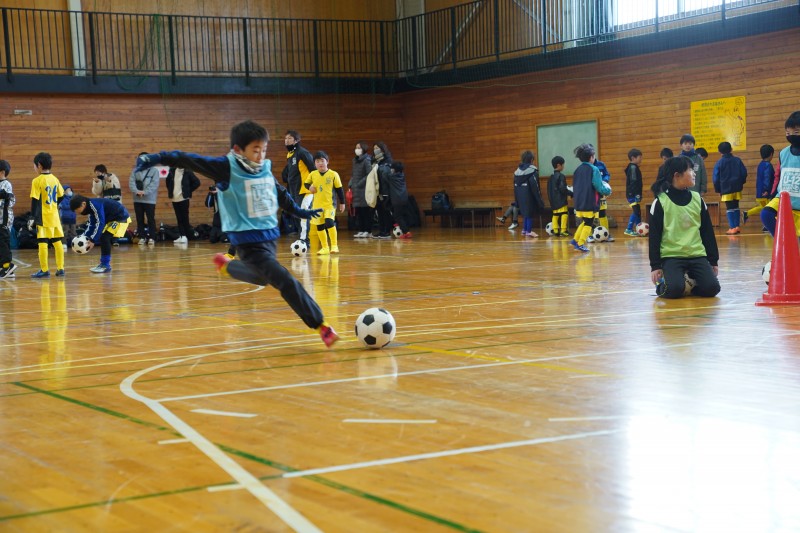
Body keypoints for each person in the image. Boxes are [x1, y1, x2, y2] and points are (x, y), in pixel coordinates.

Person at [134, 119, 339, 348]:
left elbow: (280, 193)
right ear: (238, 149)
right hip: (248, 242)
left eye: (263, 150)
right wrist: (155, 158)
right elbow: (188, 159)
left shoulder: (263, 168)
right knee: (285, 280)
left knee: (262, 278)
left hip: (269, 238)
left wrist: (299, 211)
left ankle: (228, 267)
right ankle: (321, 326)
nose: (260, 155)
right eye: (255, 150)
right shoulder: (226, 167)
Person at [649, 156, 720, 299]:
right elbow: (654, 237)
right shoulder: (660, 202)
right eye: (690, 170)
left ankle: (691, 284)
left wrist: (713, 260)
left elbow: (707, 232)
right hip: (671, 256)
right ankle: (664, 284)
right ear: (677, 175)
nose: (694, 173)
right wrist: (655, 266)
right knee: (674, 290)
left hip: (697, 254)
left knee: (712, 288)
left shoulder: (698, 199)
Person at [761, 111, 800, 237]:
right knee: (766, 214)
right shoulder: (783, 153)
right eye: (788, 133)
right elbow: (778, 175)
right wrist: (773, 194)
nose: (791, 136)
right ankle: (782, 240)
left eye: (796, 132)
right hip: (783, 198)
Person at [69, 194, 132, 273]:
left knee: (105, 237)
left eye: (76, 209)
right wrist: (84, 237)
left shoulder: (95, 205)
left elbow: (100, 223)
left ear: (83, 204)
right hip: (111, 219)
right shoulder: (90, 208)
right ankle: (103, 264)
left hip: (121, 217)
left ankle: (105, 265)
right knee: (103, 237)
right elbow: (92, 224)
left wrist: (92, 240)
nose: (76, 212)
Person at [29, 152, 66, 278]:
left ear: (39, 165)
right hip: (54, 216)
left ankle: (44, 270)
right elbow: (62, 195)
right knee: (57, 241)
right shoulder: (55, 179)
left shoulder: (37, 181)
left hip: (43, 216)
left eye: (34, 165)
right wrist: (54, 205)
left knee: (42, 242)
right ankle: (61, 269)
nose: (34, 168)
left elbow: (35, 201)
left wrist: (32, 217)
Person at [569, 143, 611, 253]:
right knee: (589, 223)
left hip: (579, 201)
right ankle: (580, 243)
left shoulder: (577, 170)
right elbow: (598, 185)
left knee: (585, 221)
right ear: (591, 157)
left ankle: (575, 239)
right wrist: (607, 191)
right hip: (589, 201)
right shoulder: (594, 169)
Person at [305, 151, 346, 254]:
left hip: (330, 205)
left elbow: (339, 190)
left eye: (322, 160)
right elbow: (306, 184)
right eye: (317, 161)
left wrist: (342, 203)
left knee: (329, 222)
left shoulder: (333, 174)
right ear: (315, 164)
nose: (320, 163)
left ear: (327, 161)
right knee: (320, 226)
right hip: (317, 206)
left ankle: (334, 246)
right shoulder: (313, 174)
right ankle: (325, 247)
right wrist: (309, 187)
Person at [282, 130, 315, 242]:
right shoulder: (290, 155)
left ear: (296, 140)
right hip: (293, 191)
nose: (287, 140)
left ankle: (304, 240)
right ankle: (302, 237)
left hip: (304, 190)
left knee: (303, 214)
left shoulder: (302, 153)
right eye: (285, 138)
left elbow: (313, 169)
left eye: (289, 138)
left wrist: (312, 185)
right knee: (295, 215)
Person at [712, 141, 748, 235]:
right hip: (737, 188)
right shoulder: (737, 160)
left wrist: (718, 189)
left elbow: (715, 178)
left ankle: (732, 227)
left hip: (726, 188)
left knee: (729, 208)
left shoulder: (719, 163)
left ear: (719, 152)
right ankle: (737, 226)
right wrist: (741, 183)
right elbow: (744, 173)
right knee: (736, 206)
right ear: (731, 149)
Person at [129, 151, 160, 245]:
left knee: (150, 219)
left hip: (150, 200)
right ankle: (142, 237)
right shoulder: (135, 171)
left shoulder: (154, 171)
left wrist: (144, 192)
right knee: (139, 219)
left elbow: (154, 184)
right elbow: (131, 183)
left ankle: (152, 237)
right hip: (137, 199)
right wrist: (137, 191)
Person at [513, 150, 545, 238]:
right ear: (532, 160)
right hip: (529, 197)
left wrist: (516, 200)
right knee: (529, 214)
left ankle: (524, 229)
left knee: (525, 213)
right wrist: (539, 200)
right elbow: (535, 187)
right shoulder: (532, 171)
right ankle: (529, 231)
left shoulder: (516, 172)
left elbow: (515, 187)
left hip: (520, 197)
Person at [165, 166, 200, 244]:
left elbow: (197, 182)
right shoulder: (172, 171)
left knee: (184, 218)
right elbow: (167, 182)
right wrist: (171, 191)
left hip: (184, 199)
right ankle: (182, 236)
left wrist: (188, 191)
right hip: (175, 199)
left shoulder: (188, 171)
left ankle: (185, 236)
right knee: (179, 218)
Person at [743, 144, 776, 228]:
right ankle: (766, 225)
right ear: (771, 154)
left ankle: (747, 213)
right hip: (765, 193)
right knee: (768, 209)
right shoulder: (768, 165)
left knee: (763, 207)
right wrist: (767, 190)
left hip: (760, 192)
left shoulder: (761, 164)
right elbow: (767, 178)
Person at [349, 141, 373, 238]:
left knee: (365, 211)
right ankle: (361, 230)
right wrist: (350, 183)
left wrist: (360, 183)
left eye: (359, 147)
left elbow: (369, 174)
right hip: (356, 190)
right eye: (356, 147)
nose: (357, 149)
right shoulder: (354, 161)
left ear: (363, 149)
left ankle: (368, 230)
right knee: (358, 211)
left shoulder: (367, 160)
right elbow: (353, 174)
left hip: (364, 189)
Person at [373, 141, 394, 239]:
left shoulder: (388, 161)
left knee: (386, 212)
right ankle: (381, 230)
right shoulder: (374, 161)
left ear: (382, 149)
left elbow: (389, 176)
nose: (375, 150)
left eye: (377, 148)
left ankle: (387, 231)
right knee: (379, 212)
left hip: (386, 191)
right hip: (377, 191)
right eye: (374, 149)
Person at [547, 156, 571, 237]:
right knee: (564, 213)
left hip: (553, 200)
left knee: (555, 215)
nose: (564, 166)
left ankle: (556, 230)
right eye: (563, 164)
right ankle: (563, 230)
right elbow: (562, 189)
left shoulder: (550, 177)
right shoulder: (561, 176)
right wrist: (570, 193)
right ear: (558, 165)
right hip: (561, 200)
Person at [0, 160, 16, 279]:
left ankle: (8, 266)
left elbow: (6, 195)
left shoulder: (6, 184)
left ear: (2, 172)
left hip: (4, 219)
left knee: (3, 241)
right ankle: (4, 267)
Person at [387, 161, 412, 238]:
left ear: (394, 169)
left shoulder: (392, 177)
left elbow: (385, 176)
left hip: (397, 200)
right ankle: (401, 226)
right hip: (404, 198)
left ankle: (406, 232)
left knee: (398, 216)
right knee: (402, 215)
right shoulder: (402, 175)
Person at [592, 155, 614, 242]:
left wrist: (604, 181)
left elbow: (607, 174)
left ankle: (606, 234)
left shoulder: (601, 164)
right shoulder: (586, 168)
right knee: (590, 215)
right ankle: (589, 235)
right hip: (591, 195)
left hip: (601, 193)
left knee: (602, 213)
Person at [624, 149, 644, 236]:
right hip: (632, 194)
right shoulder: (633, 168)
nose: (641, 159)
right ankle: (628, 229)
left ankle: (639, 229)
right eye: (640, 157)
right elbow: (633, 182)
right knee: (636, 211)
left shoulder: (634, 167)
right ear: (633, 158)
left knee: (638, 211)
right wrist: (637, 194)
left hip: (633, 194)